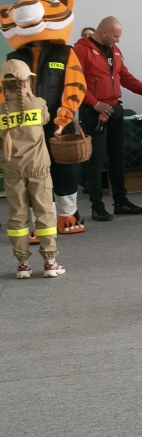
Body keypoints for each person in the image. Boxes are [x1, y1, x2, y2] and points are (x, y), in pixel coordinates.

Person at [0, 0, 87, 235]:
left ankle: (67, 214)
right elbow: (4, 93)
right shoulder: (13, 59)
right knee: (33, 174)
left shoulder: (66, 53)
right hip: (26, 127)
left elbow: (75, 85)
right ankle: (41, 222)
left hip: (60, 124)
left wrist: (64, 116)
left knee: (66, 170)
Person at [74, 16, 142, 221]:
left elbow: (125, 78)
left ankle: (121, 202)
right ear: (104, 32)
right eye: (116, 36)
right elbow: (75, 83)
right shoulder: (80, 50)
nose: (118, 40)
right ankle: (97, 206)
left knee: (117, 157)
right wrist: (95, 103)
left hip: (114, 110)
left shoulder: (115, 50)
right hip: (94, 113)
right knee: (96, 160)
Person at [0, 60, 65, 278]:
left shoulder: (0, 111)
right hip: (38, 168)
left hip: (12, 170)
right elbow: (46, 120)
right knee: (44, 212)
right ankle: (50, 263)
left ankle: (23, 265)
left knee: (17, 217)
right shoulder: (38, 104)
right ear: (26, 81)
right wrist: (28, 95)